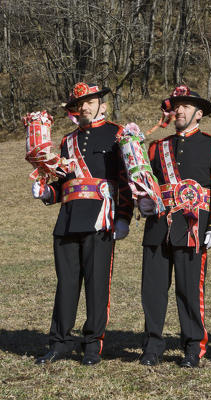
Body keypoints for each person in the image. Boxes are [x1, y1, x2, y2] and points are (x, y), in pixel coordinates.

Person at [33, 82, 133, 366]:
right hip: (68, 219)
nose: (84, 107)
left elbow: (126, 180)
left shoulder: (118, 134)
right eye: (79, 104)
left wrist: (123, 217)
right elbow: (65, 184)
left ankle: (92, 344)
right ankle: (60, 341)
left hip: (100, 219)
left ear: (102, 103)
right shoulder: (67, 141)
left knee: (96, 284)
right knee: (65, 284)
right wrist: (46, 193)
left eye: (89, 102)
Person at [137, 85, 211, 368]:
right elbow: (145, 182)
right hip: (157, 227)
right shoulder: (155, 147)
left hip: (193, 227)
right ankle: (152, 346)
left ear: (199, 114)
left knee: (190, 289)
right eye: (176, 106)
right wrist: (143, 202)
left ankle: (193, 346)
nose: (179, 110)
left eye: (186, 106)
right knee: (152, 290)